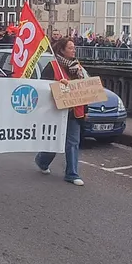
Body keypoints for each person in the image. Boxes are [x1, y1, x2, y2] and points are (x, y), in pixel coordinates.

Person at [34, 37, 86, 186]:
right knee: (55, 141)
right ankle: (42, 160)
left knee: (73, 142)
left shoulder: (78, 68)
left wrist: (86, 110)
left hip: (74, 111)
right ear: (62, 50)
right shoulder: (52, 66)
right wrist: (58, 85)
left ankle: (72, 173)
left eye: (74, 47)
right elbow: (43, 87)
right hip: (57, 111)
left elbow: (85, 90)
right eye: (70, 48)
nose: (74, 50)